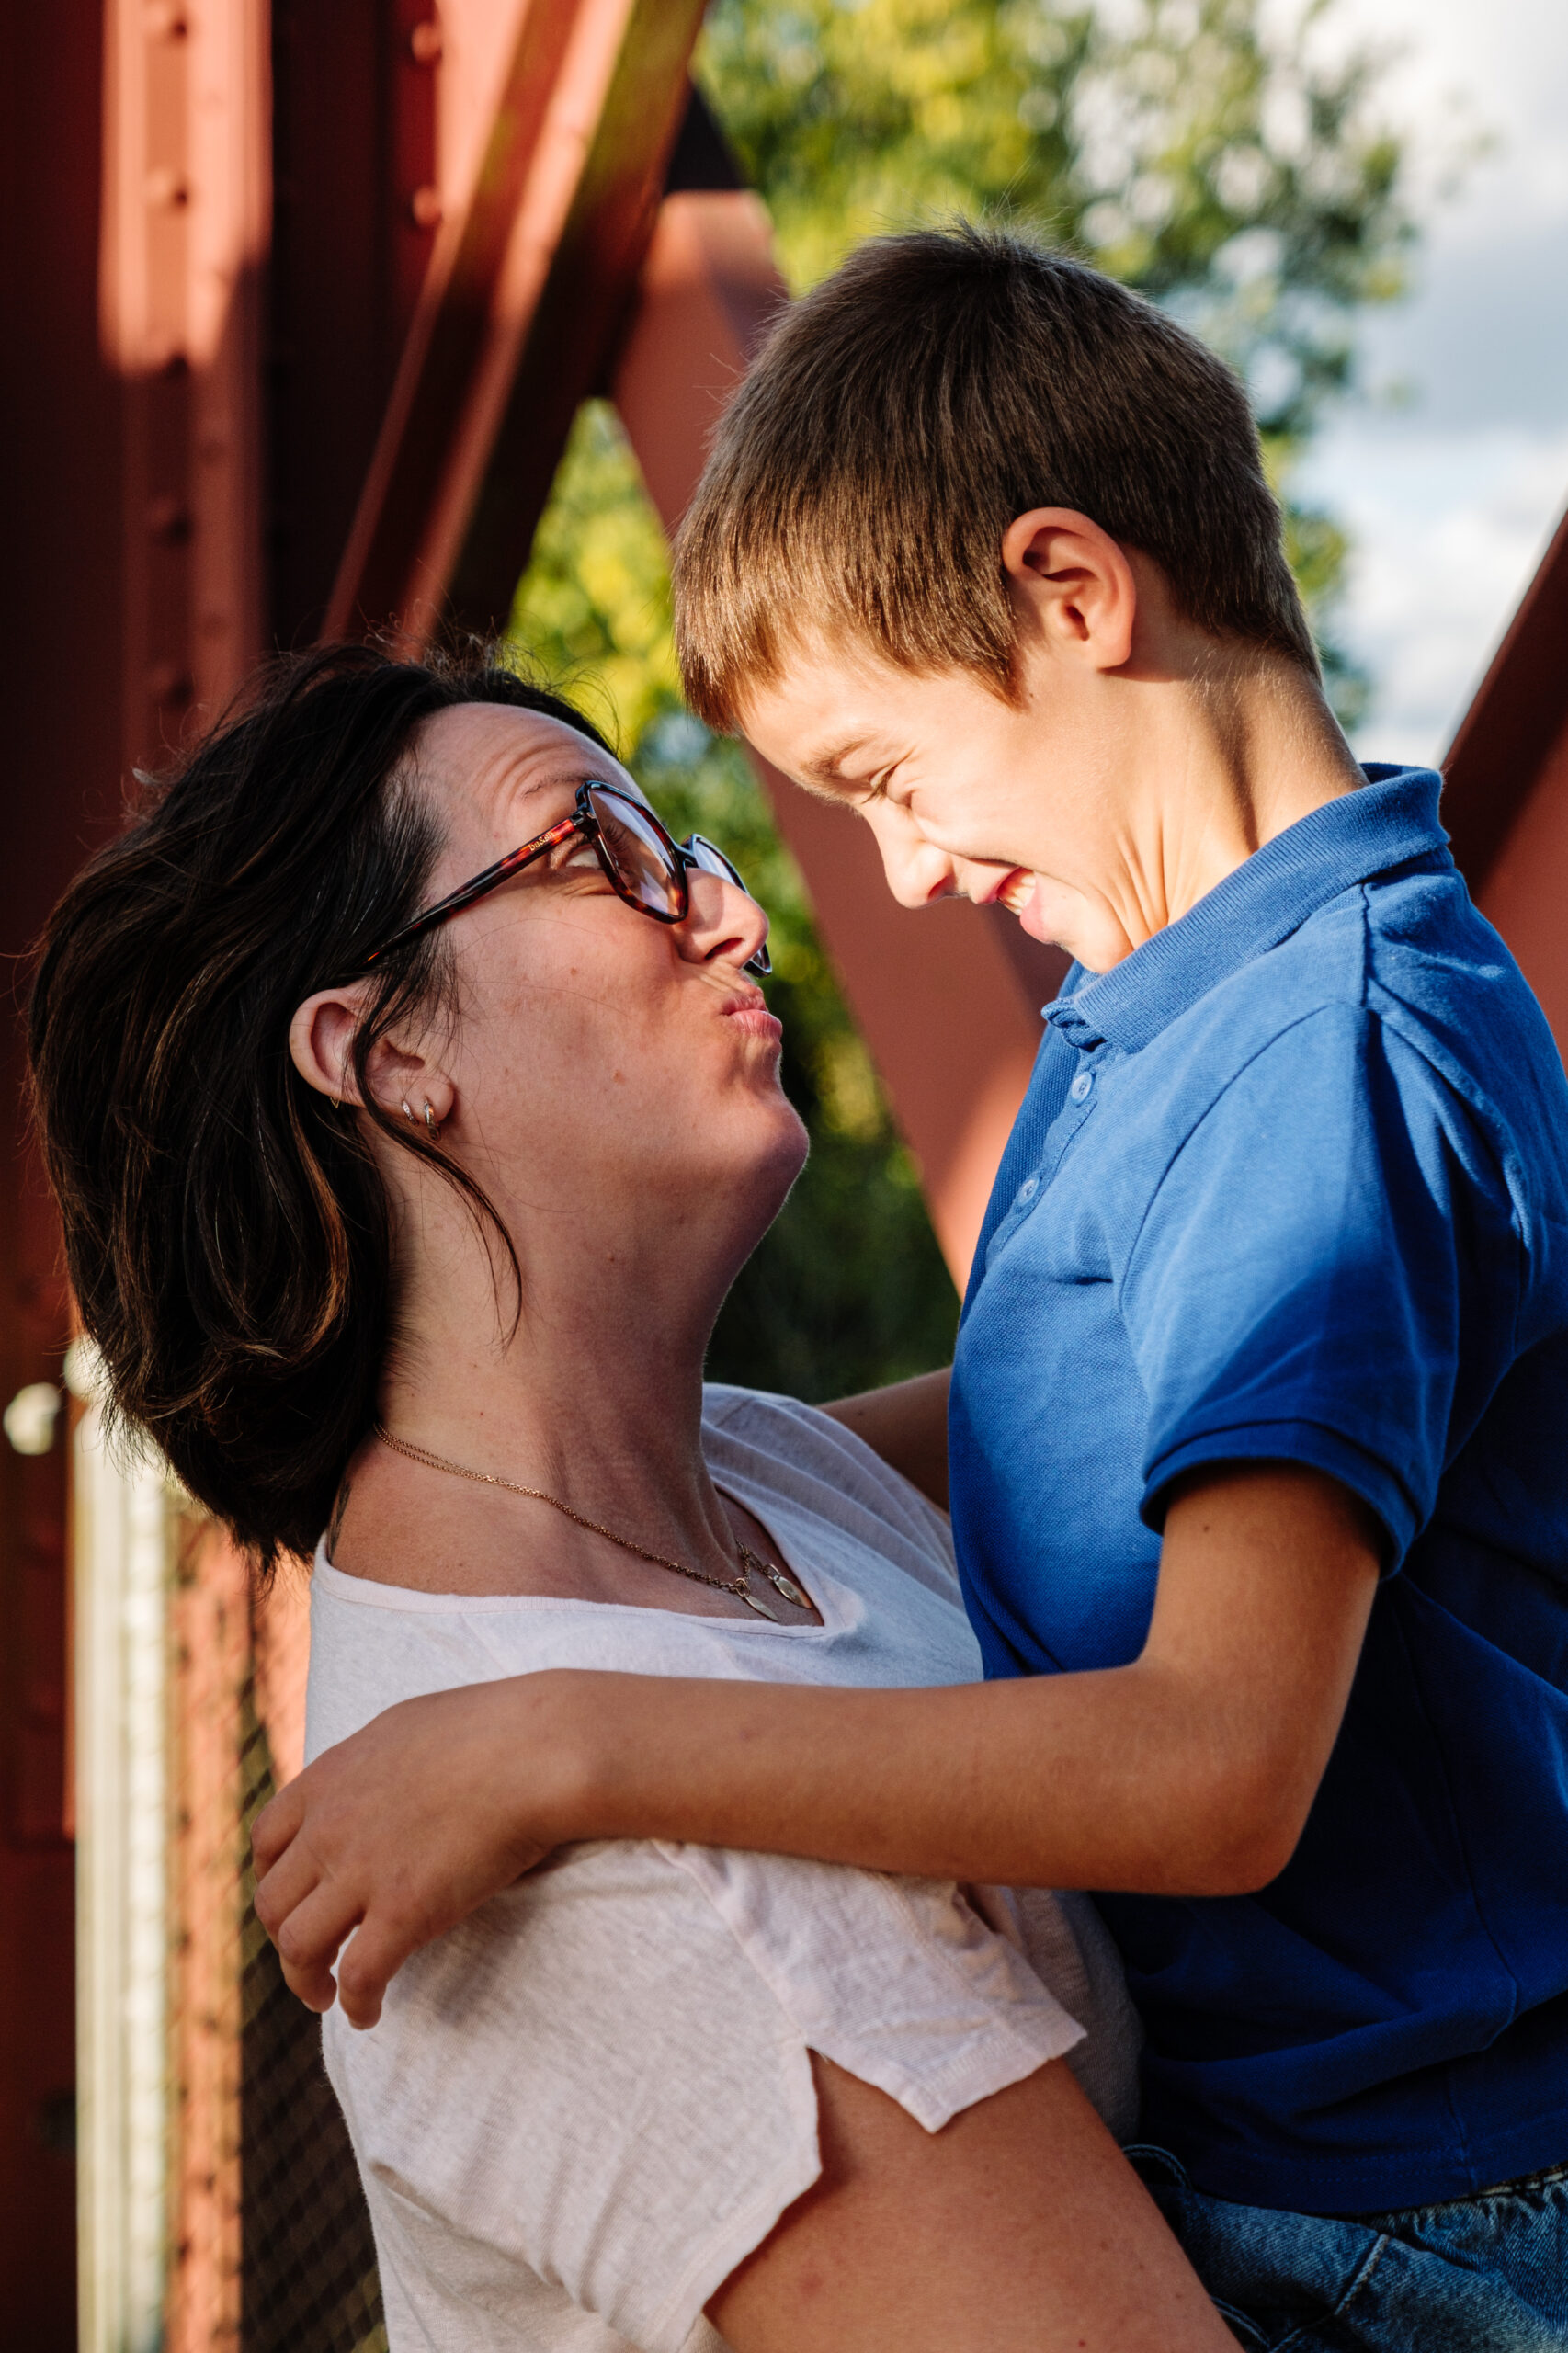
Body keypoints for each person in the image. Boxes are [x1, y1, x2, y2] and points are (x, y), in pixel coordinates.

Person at [251, 231, 1568, 2348]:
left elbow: (1211, 1767)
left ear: (1071, 592)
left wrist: (564, 1734)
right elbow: (1069, 1382)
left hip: (1421, 2219)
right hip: (1322, 2154)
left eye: (884, 772)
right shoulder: (1168, 998)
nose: (902, 876)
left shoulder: (1312, 1064)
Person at [28, 642, 1233, 2352]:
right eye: (597, 849)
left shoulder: (744, 1478)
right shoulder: (654, 1903)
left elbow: (1194, 1385)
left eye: (697, 855)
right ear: (380, 1054)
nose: (731, 917)